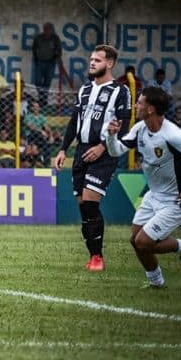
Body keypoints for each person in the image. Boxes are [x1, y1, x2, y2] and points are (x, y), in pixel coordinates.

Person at [53, 44, 131, 272]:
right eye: (91, 59)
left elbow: (124, 126)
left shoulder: (120, 91)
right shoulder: (85, 90)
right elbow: (73, 121)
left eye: (97, 60)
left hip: (104, 152)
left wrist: (102, 147)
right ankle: (93, 255)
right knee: (83, 208)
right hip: (81, 151)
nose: (92, 63)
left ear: (110, 63)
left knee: (89, 202)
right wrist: (62, 149)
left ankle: (98, 257)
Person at [104, 87, 181, 288]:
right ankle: (156, 283)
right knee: (135, 239)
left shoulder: (174, 135)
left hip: (174, 201)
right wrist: (111, 136)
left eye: (139, 103)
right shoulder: (140, 128)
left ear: (150, 109)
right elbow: (116, 152)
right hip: (153, 195)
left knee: (143, 242)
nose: (135, 106)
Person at [31, 22, 61, 103]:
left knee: (47, 82)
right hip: (39, 62)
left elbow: (59, 50)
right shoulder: (38, 37)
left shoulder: (55, 38)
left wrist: (57, 57)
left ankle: (43, 100)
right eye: (45, 29)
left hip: (51, 63)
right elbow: (34, 48)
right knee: (37, 82)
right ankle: (42, 97)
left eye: (48, 29)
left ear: (51, 30)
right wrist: (35, 57)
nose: (46, 31)